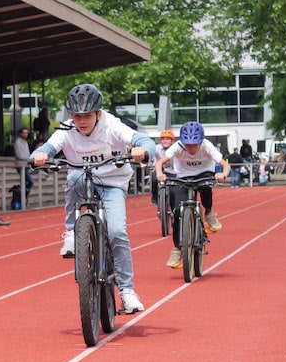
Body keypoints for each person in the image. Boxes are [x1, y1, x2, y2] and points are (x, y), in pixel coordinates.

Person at [31, 83, 153, 314]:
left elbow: (143, 141)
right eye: (77, 116)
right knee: (74, 177)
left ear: (98, 114)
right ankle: (71, 232)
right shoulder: (67, 129)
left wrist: (142, 149)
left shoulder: (112, 125)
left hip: (113, 183)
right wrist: (40, 154)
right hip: (84, 178)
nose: (81, 121)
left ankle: (127, 290)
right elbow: (49, 146)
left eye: (87, 116)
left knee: (117, 232)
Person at [155, 121, 230, 268]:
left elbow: (225, 165)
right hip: (183, 177)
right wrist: (159, 174)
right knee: (177, 213)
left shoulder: (207, 146)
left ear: (200, 141)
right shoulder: (177, 147)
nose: (190, 148)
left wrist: (223, 174)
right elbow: (160, 163)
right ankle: (177, 248)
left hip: (204, 173)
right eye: (187, 144)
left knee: (207, 188)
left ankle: (208, 212)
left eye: (194, 144)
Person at [150, 129, 176, 206]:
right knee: (154, 177)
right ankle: (154, 195)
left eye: (167, 139)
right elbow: (150, 154)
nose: (165, 141)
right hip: (161, 169)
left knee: (173, 191)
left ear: (172, 141)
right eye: (163, 139)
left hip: (173, 171)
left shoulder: (176, 149)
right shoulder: (157, 148)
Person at [12, 127, 33, 204]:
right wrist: (28, 158)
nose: (25, 134)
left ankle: (23, 196)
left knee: (25, 182)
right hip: (21, 165)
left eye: (26, 133)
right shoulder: (18, 142)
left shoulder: (25, 142)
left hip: (26, 165)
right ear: (20, 133)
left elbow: (27, 153)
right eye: (24, 132)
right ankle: (24, 194)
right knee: (30, 181)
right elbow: (19, 154)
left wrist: (30, 159)